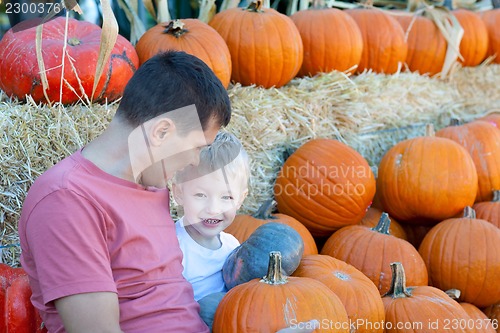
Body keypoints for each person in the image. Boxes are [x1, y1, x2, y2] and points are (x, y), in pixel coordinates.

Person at [18, 50, 317, 333]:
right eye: (197, 147)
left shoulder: (150, 184)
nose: (196, 161)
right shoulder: (67, 200)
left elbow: (170, 302)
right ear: (161, 132)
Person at [172, 131, 249, 302]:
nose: (213, 209)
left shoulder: (233, 247)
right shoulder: (173, 249)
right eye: (200, 195)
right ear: (179, 193)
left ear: (240, 200)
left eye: (226, 197)